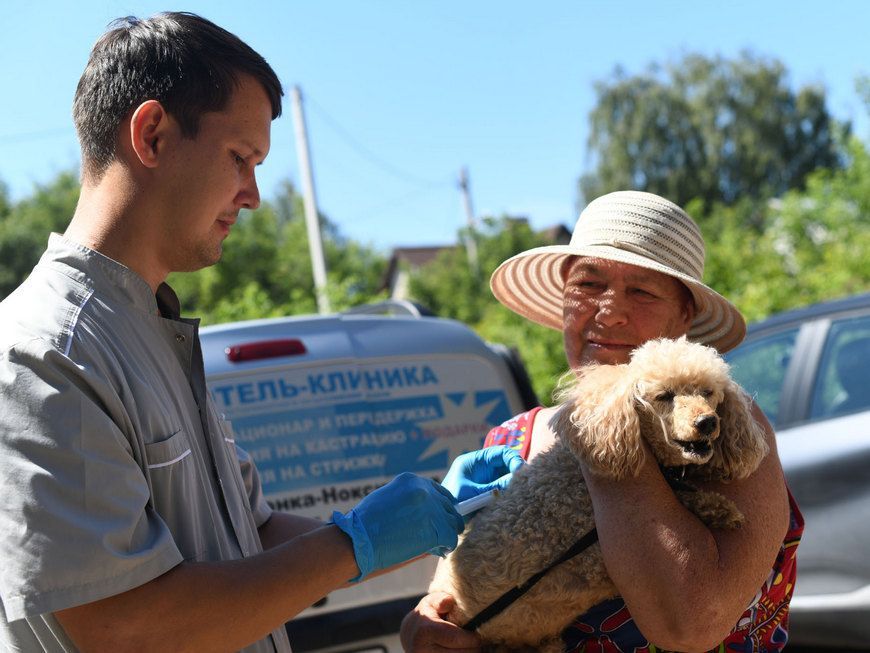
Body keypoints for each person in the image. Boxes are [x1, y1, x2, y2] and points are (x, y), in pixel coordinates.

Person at [0, 13, 522, 652]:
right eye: (241, 158)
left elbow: (256, 534)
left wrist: (438, 519)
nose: (251, 195)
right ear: (153, 134)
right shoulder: (43, 352)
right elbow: (123, 626)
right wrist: (353, 544)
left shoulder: (151, 330)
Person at [400, 190, 805, 652]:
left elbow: (690, 624)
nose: (608, 311)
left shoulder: (723, 425)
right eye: (587, 285)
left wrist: (605, 433)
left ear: (685, 315)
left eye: (642, 290)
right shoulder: (511, 437)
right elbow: (457, 587)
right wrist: (424, 624)